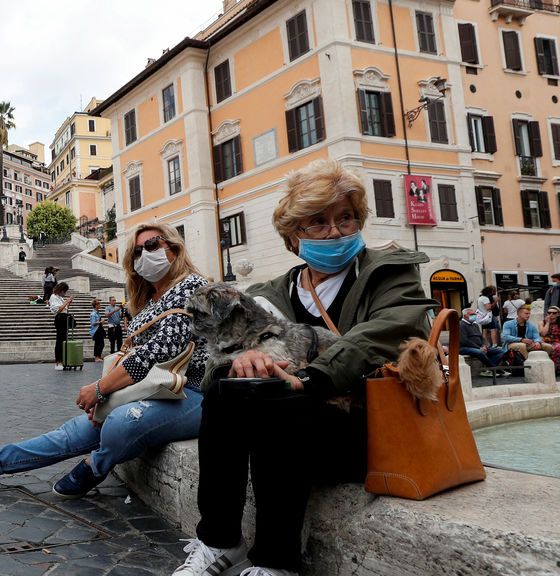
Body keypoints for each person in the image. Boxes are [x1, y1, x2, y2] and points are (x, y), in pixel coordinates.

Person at [173, 160, 438, 576]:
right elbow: (210, 370)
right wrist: (240, 363)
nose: (334, 231)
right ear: (294, 236)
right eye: (317, 222)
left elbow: (383, 333)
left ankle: (277, 562)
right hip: (288, 427)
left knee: (280, 404)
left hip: (365, 428)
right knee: (227, 394)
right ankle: (220, 541)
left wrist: (308, 379)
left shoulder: (390, 275)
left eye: (345, 218)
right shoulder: (265, 296)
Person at [0, 222, 209, 499]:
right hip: (151, 391)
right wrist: (106, 395)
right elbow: (134, 356)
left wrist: (100, 389)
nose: (143, 255)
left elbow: (160, 350)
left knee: (120, 422)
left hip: (191, 393)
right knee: (74, 431)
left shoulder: (192, 287)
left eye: (151, 246)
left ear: (174, 248)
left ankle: (96, 465)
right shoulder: (149, 299)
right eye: (137, 252)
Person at [459, 307, 508, 377]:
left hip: (479, 347)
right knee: (480, 352)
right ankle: (495, 369)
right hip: (465, 348)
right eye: (472, 314)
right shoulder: (461, 325)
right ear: (465, 315)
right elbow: (464, 341)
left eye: (475, 314)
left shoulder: (475, 325)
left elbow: (481, 337)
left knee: (502, 351)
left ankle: (488, 369)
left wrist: (484, 345)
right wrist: (479, 348)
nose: (474, 316)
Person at [48, 282, 74, 370]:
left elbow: (64, 308)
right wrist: (67, 302)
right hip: (60, 318)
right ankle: (58, 361)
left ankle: (63, 360)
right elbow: (58, 310)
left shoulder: (60, 298)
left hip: (64, 318)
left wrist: (68, 303)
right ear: (61, 290)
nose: (64, 293)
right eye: (64, 291)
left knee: (64, 340)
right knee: (60, 340)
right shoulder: (53, 297)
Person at [539, 306, 560, 371]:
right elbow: (543, 334)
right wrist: (548, 322)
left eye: (554, 313)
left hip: (558, 341)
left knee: (558, 346)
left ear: (558, 314)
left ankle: (556, 369)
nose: (551, 314)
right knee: (557, 347)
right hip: (546, 342)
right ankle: (553, 369)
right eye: (549, 313)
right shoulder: (541, 322)